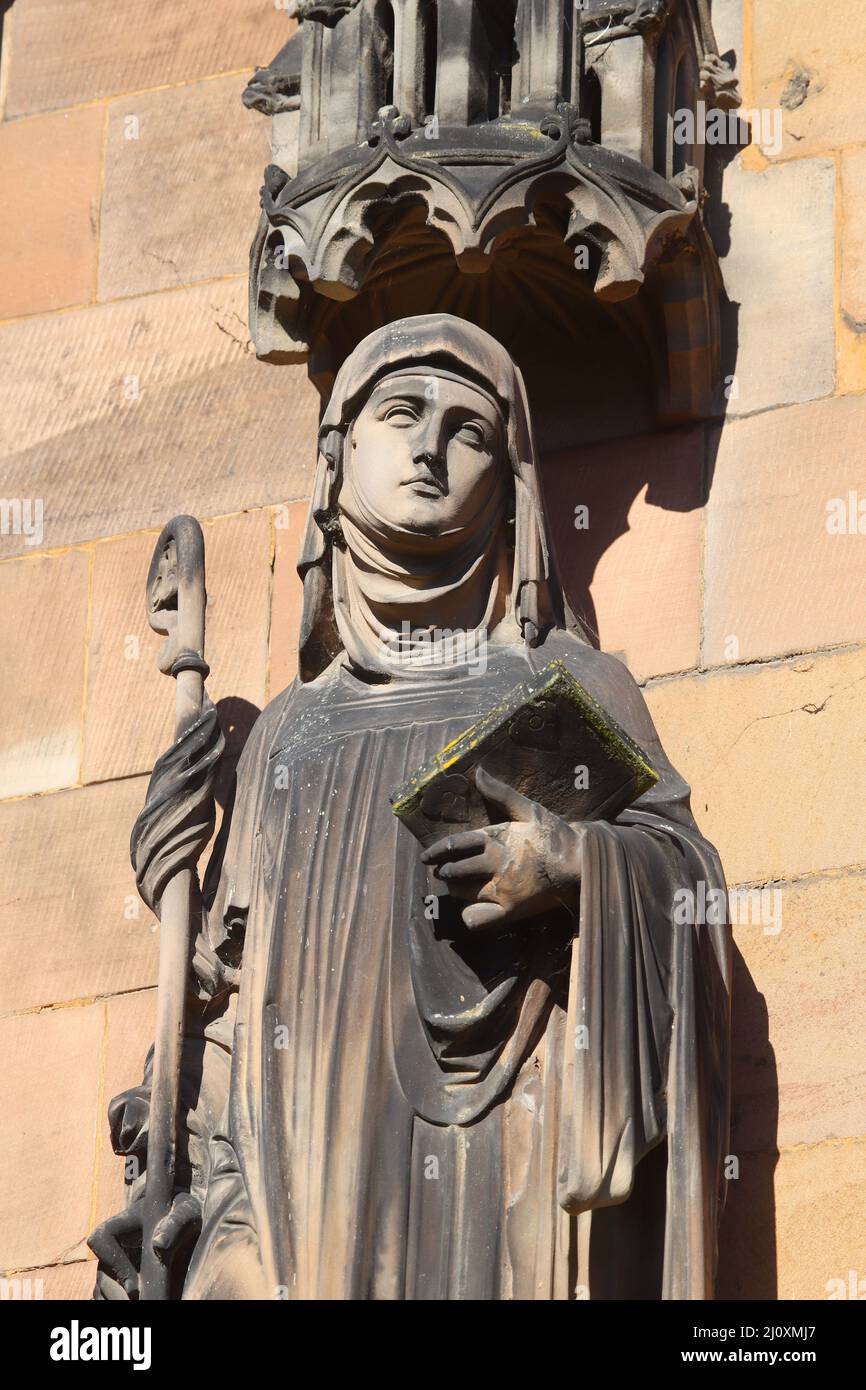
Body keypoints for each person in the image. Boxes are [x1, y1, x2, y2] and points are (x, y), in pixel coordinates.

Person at [90, 314, 730, 1300]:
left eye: (468, 430)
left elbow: (686, 888)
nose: (431, 448)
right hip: (306, 1194)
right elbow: (225, 1008)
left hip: (512, 1179)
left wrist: (572, 865)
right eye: (401, 414)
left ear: (507, 485)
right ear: (337, 459)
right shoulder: (288, 736)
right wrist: (170, 1141)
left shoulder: (563, 684)